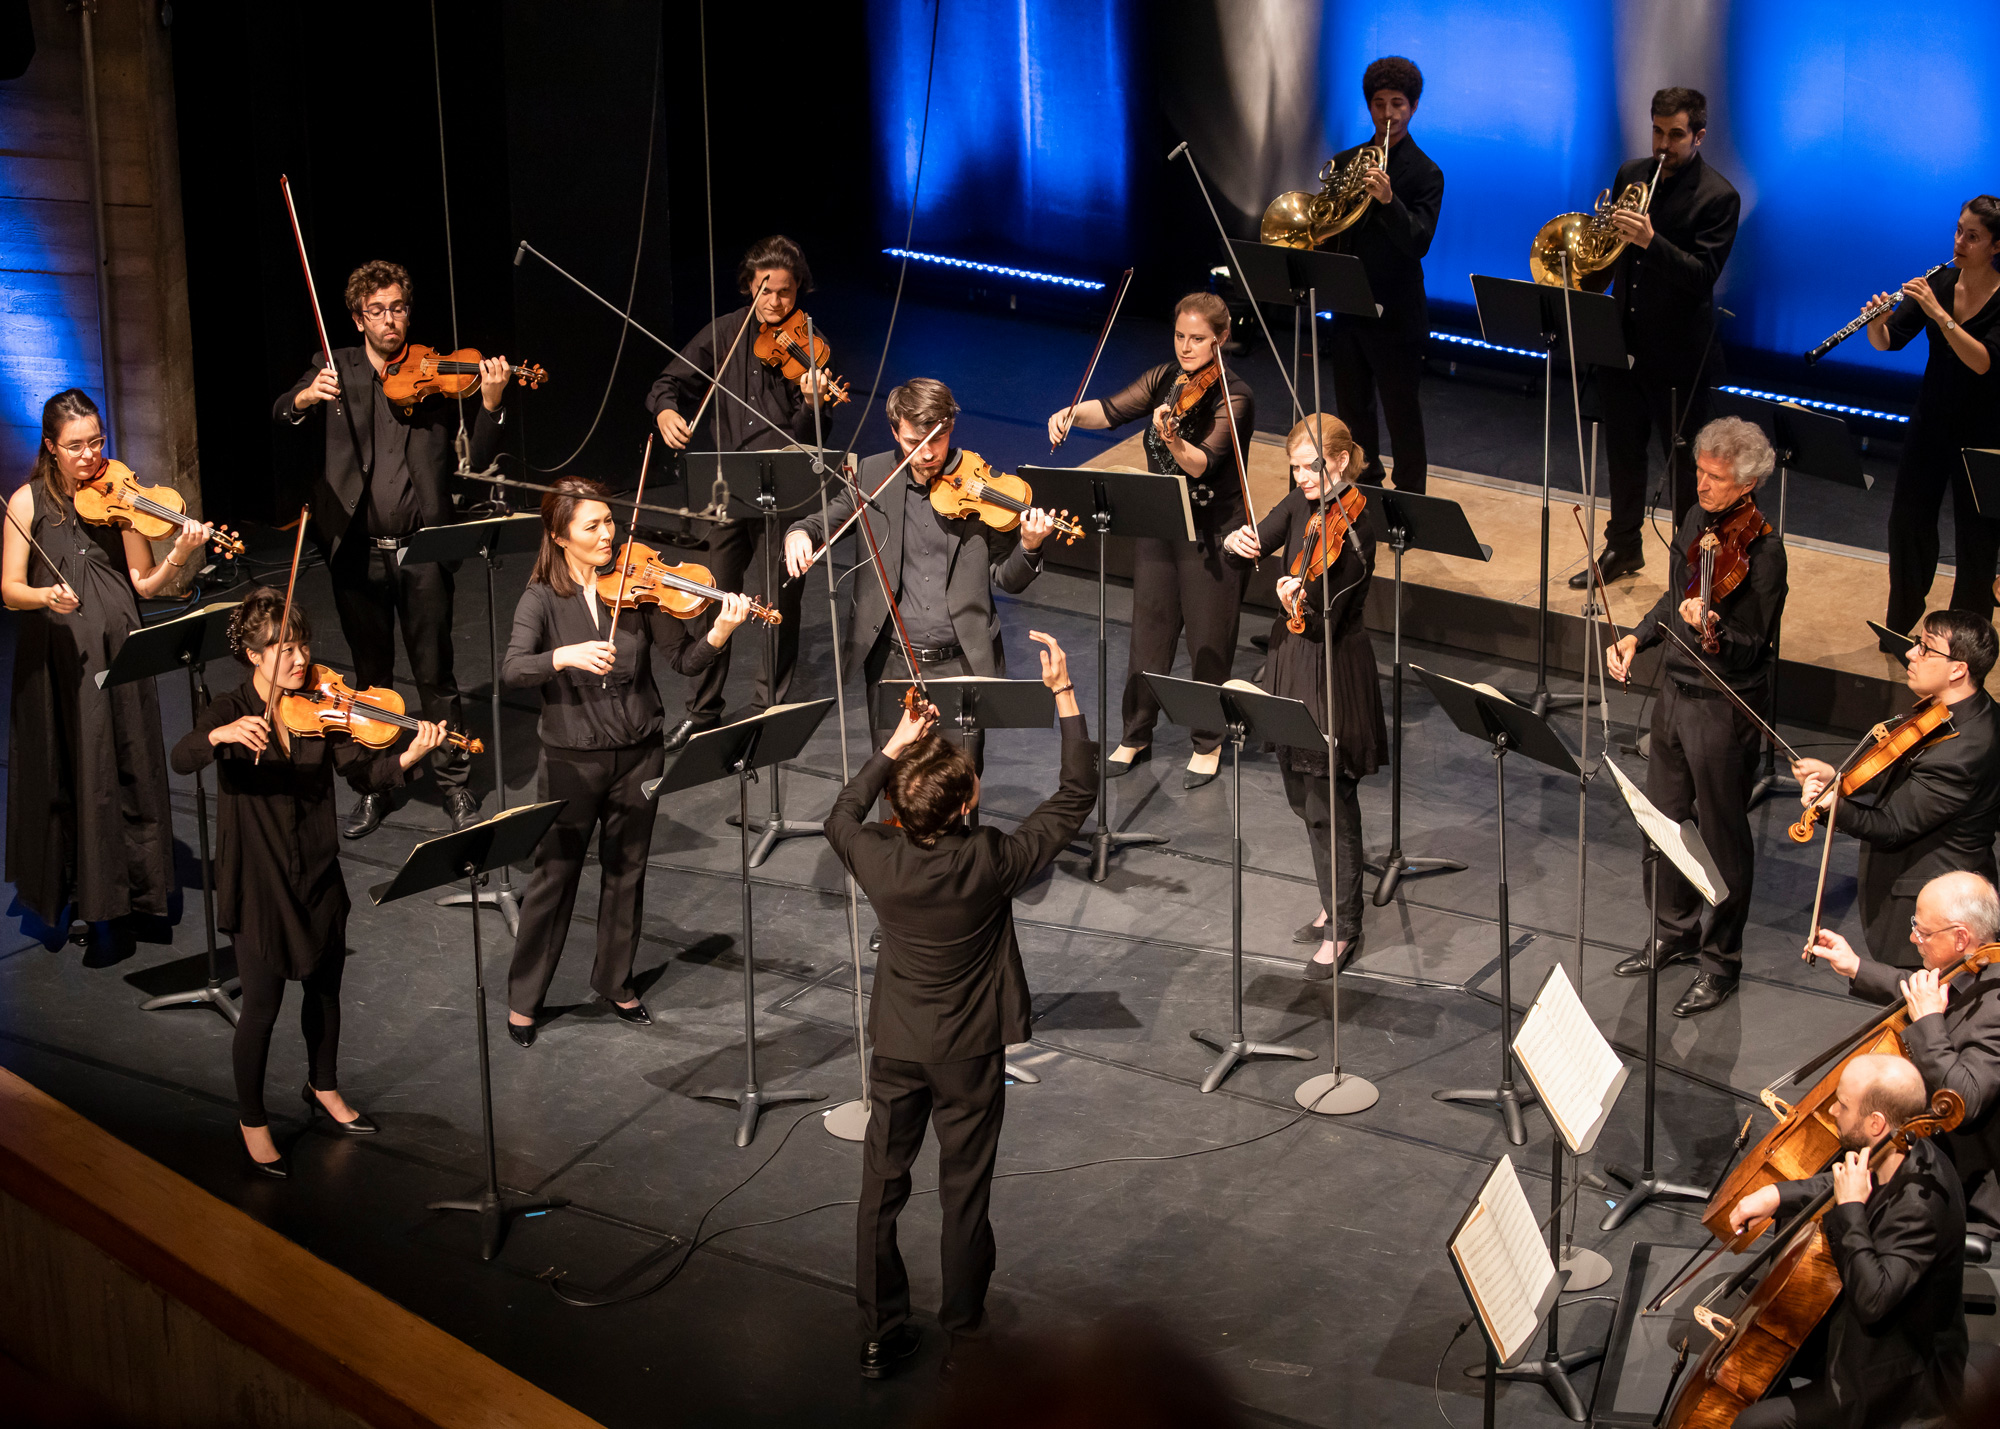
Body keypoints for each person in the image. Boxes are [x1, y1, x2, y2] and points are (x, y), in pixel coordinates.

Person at [824, 630, 1096, 1381]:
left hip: (898, 1045)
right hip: (970, 1050)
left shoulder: (877, 853)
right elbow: (1074, 796)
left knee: (883, 1184)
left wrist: (893, 744)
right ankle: (966, 1339)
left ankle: (881, 1330)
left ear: (899, 809)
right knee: (963, 1196)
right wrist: (1065, 695)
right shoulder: (990, 860)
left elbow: (840, 814)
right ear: (971, 800)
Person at [170, 589, 447, 1176]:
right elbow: (183, 755)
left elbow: (362, 771)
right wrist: (221, 737)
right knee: (263, 1007)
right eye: (282, 649)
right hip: (259, 878)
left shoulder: (321, 702)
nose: (298, 659)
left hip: (317, 868)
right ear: (252, 654)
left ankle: (323, 1087)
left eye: (301, 645)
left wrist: (407, 758)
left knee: (325, 990)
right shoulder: (229, 709)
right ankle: (251, 1118)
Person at [500, 478, 751, 1047]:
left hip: (640, 755)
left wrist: (720, 629)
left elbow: (685, 661)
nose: (608, 533)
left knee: (627, 871)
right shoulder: (542, 597)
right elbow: (514, 669)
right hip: (571, 762)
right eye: (592, 526)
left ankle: (615, 979)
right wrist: (563, 656)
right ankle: (524, 997)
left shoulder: (638, 588)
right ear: (561, 536)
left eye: (610, 522)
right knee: (554, 878)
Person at [274, 259, 514, 838]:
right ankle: (375, 784)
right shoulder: (335, 369)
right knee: (370, 679)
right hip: (355, 554)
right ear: (358, 319)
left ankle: (455, 782)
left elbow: (477, 463)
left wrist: (491, 403)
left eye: (398, 308)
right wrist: (307, 398)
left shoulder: (435, 373)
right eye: (377, 311)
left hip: (421, 550)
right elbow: (282, 412)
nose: (390, 321)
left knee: (436, 674)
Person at [4, 388, 208, 945]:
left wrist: (178, 556)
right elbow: (9, 588)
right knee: (78, 775)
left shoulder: (118, 499)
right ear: (50, 447)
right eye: (76, 446)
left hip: (122, 657)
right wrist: (46, 598)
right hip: (62, 667)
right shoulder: (26, 503)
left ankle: (135, 894)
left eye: (97, 441)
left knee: (129, 766)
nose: (91, 455)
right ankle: (81, 896)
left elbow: (143, 583)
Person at [1606, 417, 1784, 1016]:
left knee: (1722, 837)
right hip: (1675, 696)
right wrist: (1639, 638)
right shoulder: (1693, 522)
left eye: (1716, 478)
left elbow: (1751, 643)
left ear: (1749, 484)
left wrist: (1712, 628)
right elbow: (1671, 597)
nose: (1702, 485)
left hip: (1723, 705)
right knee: (1662, 821)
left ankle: (1720, 961)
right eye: (1700, 472)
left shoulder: (1765, 551)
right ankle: (1674, 932)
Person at [789, 377, 1054, 774]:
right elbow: (823, 520)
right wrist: (800, 533)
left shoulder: (980, 486)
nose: (928, 453)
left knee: (960, 784)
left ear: (950, 429)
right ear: (895, 431)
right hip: (891, 663)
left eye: (938, 438)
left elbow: (1006, 578)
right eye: (914, 442)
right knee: (895, 780)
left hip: (961, 664)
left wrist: (1029, 547)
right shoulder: (873, 473)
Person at [1045, 293, 1253, 788]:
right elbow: (1114, 409)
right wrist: (1072, 413)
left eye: (1198, 339)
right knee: (1149, 635)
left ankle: (1208, 740)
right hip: (1161, 521)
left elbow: (1203, 462)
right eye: (1180, 336)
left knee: (1207, 642)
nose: (1186, 347)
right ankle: (1136, 734)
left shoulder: (1235, 396)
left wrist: (1176, 441)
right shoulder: (1166, 379)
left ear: (1221, 340)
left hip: (1212, 531)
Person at [646, 236, 835, 749]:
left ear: (800, 291)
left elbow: (815, 433)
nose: (776, 303)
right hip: (730, 491)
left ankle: (767, 707)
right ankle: (705, 709)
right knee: (715, 594)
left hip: (787, 487)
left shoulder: (808, 343)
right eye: (766, 290)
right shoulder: (726, 333)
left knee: (779, 602)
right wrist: (666, 410)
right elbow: (669, 381)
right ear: (750, 287)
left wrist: (816, 402)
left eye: (786, 292)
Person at [1223, 414, 1385, 974]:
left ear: (1339, 461)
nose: (1301, 478)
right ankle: (1333, 896)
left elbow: (1327, 613)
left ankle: (1344, 925)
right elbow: (1259, 540)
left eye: (1311, 467)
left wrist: (1300, 599)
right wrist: (1237, 542)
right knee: (1301, 794)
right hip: (1292, 659)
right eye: (1294, 467)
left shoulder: (1359, 527)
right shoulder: (1299, 502)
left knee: (1327, 800)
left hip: (1331, 665)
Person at [1724, 1055, 1966, 1429]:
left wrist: (1851, 1208)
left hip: (1892, 1379)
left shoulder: (1920, 1208)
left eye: (1843, 1104)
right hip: (1855, 1332)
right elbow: (1851, 1178)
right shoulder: (1899, 1147)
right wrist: (1776, 1194)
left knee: (1751, 1424)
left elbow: (1874, 1300)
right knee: (1753, 1356)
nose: (1833, 1110)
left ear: (1876, 1122)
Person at [1572, 87, 1741, 589]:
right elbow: (1610, 250)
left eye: (1676, 135)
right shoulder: (1631, 174)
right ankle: (1623, 546)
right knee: (1623, 453)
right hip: (1621, 343)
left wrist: (1650, 240)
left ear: (1699, 135)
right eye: (1657, 131)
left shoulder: (1718, 196)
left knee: (1690, 470)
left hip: (1679, 356)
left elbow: (1702, 275)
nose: (1663, 144)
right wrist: (1585, 269)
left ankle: (1691, 566)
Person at [1791, 610, 2000, 966]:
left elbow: (1891, 826)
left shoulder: (1963, 753)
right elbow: (1900, 763)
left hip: (1935, 908)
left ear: (1957, 669)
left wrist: (1831, 806)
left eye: (1925, 648)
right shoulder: (1969, 710)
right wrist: (1838, 777)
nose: (1910, 654)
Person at [1806, 872, 2000, 1237]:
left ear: (1962, 938)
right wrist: (1855, 966)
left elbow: (1964, 1101)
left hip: (1958, 1179)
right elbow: (1921, 986)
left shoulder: (1997, 1009)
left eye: (1923, 932)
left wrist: (1928, 1021)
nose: (1914, 938)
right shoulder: (1972, 967)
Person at [1873, 197, 2000, 641]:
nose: (1960, 241)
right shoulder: (1940, 280)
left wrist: (1940, 315)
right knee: (1906, 522)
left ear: (1996, 246)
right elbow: (1888, 341)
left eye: (1973, 236)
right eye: (1959, 230)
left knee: (1977, 541)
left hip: (1985, 435)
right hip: (1931, 423)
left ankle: (1965, 641)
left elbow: (1984, 361)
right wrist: (1877, 321)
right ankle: (1902, 625)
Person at [1325, 55, 1442, 497]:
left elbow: (1418, 243)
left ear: (1412, 107)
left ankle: (1410, 503)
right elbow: (1330, 231)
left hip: (1397, 315)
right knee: (1353, 414)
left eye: (1398, 104)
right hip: (1350, 307)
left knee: (1402, 417)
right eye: (1379, 103)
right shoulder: (1345, 162)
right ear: (1369, 107)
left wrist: (1390, 200)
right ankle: (1362, 494)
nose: (1388, 114)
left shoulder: (1427, 173)